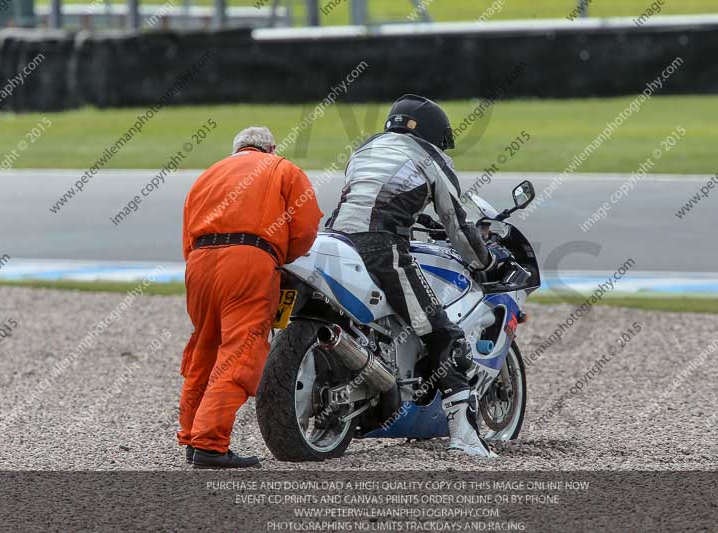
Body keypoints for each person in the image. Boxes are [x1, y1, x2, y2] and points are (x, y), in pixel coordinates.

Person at [326, 94, 505, 458]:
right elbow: (456, 223)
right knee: (444, 332)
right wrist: (485, 263)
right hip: (381, 247)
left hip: (332, 241)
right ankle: (464, 435)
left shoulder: (363, 150)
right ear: (433, 133)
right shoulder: (433, 159)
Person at [178, 126, 322, 468]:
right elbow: (305, 229)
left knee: (205, 349)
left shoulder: (207, 176)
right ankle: (211, 446)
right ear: (270, 148)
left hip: (199, 265)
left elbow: (187, 233)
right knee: (241, 352)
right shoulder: (283, 168)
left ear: (236, 149)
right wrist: (277, 258)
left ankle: (191, 437)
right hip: (248, 260)